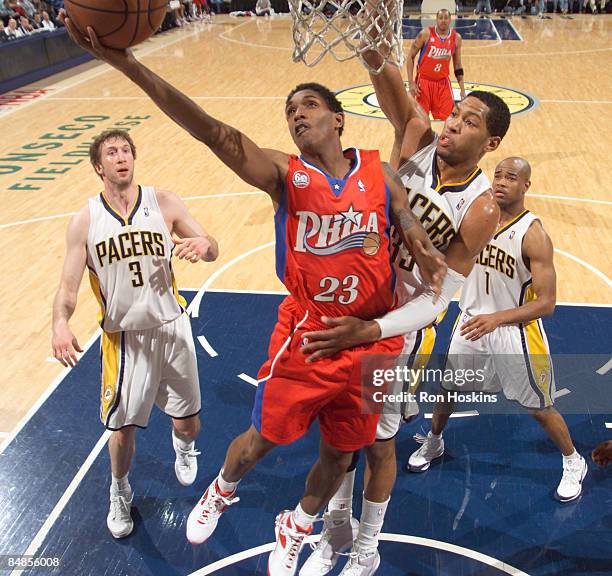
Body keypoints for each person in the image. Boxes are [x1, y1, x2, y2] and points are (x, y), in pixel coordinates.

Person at [64, 20, 446, 576]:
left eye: (309, 105)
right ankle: (222, 488)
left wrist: (416, 238)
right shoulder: (284, 176)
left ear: (338, 119)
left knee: (342, 453)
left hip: (373, 340)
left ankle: (295, 524)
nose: (297, 115)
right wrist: (129, 67)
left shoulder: (376, 168)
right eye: (290, 110)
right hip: (311, 334)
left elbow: (404, 213)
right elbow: (215, 134)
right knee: (260, 441)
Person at [298, 47, 511, 575]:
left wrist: (372, 329)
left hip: (394, 332)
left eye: (469, 123)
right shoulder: (415, 137)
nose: (453, 125)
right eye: (455, 115)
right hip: (350, 301)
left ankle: (366, 547)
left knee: (376, 444)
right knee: (336, 436)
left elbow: (438, 299)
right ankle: (334, 530)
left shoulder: (483, 206)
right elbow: (387, 79)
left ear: (491, 144)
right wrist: (370, 38)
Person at [51, 129, 218, 539]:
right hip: (125, 340)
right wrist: (60, 322)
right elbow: (68, 287)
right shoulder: (85, 221)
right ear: (99, 167)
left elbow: (212, 245)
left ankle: (183, 447)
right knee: (122, 431)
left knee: (189, 424)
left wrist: (202, 244)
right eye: (111, 152)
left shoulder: (164, 202)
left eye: (126, 150)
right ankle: (120, 490)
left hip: (173, 328)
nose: (121, 157)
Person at [407, 157, 588, 505]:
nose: (502, 182)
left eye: (512, 177)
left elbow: (547, 303)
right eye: (499, 176)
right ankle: (435, 440)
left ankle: (573, 460)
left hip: (516, 332)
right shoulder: (475, 220)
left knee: (539, 406)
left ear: (525, 186)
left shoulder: (533, 235)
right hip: (471, 321)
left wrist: (499, 318)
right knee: (447, 388)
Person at [406, 9, 465, 122]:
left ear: (450, 20)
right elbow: (410, 57)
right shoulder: (426, 34)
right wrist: (411, 83)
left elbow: (457, 65)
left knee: (449, 120)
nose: (443, 20)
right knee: (420, 121)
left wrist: (462, 89)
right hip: (423, 83)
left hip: (442, 83)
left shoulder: (456, 38)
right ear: (436, 20)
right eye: (440, 18)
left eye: (446, 18)